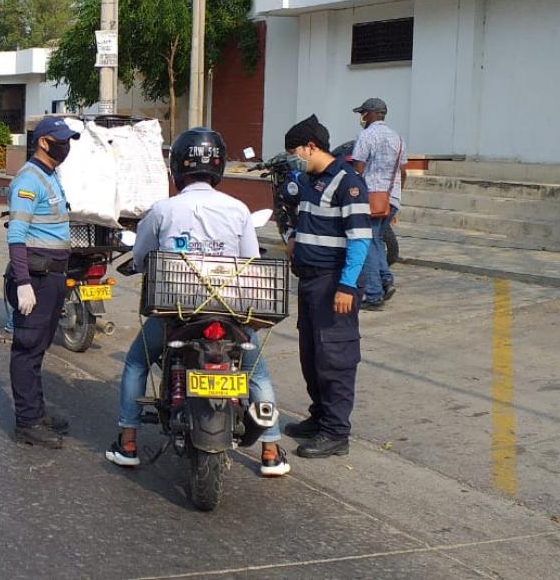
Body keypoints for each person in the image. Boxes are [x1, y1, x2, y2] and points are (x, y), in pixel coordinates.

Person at [104, 128, 291, 477]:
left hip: (177, 310)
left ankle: (128, 442)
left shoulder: (162, 210)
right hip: (232, 312)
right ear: (218, 167)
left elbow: (142, 256)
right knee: (255, 371)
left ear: (176, 168)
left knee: (135, 362)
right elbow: (250, 260)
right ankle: (270, 451)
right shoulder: (237, 209)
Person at [281, 115, 372, 458]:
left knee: (335, 357)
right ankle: (319, 417)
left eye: (295, 151)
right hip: (310, 280)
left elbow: (360, 240)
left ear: (311, 147)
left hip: (335, 280)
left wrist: (347, 286)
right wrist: (292, 239)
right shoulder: (310, 180)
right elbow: (299, 218)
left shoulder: (348, 183)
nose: (293, 156)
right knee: (312, 354)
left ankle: (336, 432)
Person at [4, 116, 79, 448]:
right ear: (44, 142)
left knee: (39, 348)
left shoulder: (51, 175)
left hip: (53, 277)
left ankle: (36, 409)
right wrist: (22, 282)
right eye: (61, 140)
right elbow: (17, 235)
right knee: (26, 348)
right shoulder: (29, 179)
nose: (66, 146)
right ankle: (27, 422)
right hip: (35, 278)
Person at [350, 98, 405, 310]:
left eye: (363, 113)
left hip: (371, 198)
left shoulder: (366, 136)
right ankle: (385, 279)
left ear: (371, 114)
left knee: (368, 243)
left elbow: (358, 168)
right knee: (377, 240)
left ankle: (374, 294)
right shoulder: (398, 138)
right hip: (392, 198)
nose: (361, 118)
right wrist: (396, 197)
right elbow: (403, 171)